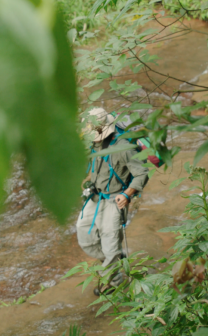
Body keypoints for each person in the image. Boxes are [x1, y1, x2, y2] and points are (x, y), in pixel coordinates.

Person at [78, 107, 149, 296]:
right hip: (95, 196)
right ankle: (115, 258)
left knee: (110, 242)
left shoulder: (123, 147)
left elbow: (142, 174)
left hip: (115, 200)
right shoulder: (93, 145)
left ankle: (113, 281)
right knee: (85, 236)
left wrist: (127, 195)